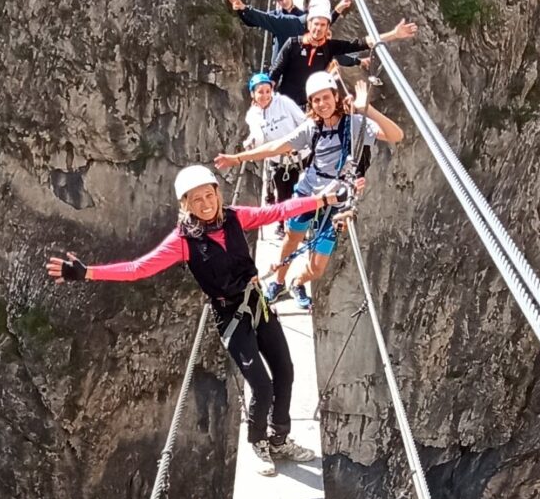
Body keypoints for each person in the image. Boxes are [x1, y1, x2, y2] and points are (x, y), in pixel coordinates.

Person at [46, 165, 340, 476]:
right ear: (185, 204)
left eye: (209, 195)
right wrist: (88, 273)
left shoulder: (235, 217)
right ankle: (259, 442)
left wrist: (320, 201)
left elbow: (277, 210)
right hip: (230, 315)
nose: (205, 203)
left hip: (256, 303)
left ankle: (280, 438)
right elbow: (138, 268)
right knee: (262, 385)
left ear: (217, 193)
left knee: (285, 370)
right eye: (196, 199)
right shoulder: (183, 240)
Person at [215, 74, 404, 310]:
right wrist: (236, 158)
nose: (322, 104)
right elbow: (275, 146)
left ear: (336, 97)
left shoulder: (356, 123)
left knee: (317, 267)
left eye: (326, 97)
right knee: (292, 237)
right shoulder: (311, 128)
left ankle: (297, 281)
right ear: (311, 104)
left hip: (337, 201)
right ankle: (279, 281)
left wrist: (366, 109)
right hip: (308, 193)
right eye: (316, 100)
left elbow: (396, 136)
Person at [269, 0, 417, 106]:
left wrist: (394, 34)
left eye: (322, 25)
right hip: (284, 99)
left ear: (328, 28)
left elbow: (361, 43)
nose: (318, 28)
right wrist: (265, 93)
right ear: (309, 25)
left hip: (309, 102)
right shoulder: (293, 44)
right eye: (315, 24)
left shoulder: (330, 47)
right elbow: (276, 70)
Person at [223, 0, 355, 64]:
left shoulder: (302, 17)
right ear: (277, 2)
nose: (284, 1)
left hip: (298, 60)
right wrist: (240, 9)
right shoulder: (276, 17)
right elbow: (253, 21)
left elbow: (320, 25)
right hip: (282, 61)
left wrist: (338, 10)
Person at [244, 72, 307, 237]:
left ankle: (305, 223)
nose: (265, 95)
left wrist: (298, 143)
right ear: (253, 94)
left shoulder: (284, 102)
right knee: (283, 193)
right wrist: (251, 142)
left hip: (300, 155)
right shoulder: (253, 115)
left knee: (304, 190)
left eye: (267, 91)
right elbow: (258, 135)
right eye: (260, 91)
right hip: (278, 160)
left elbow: (303, 122)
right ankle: (282, 223)